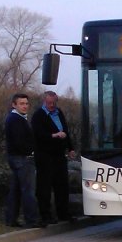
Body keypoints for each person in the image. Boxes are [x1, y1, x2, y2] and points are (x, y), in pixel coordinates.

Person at [31, 91, 76, 224]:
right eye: (49, 103)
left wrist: (70, 148)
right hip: (45, 155)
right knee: (44, 186)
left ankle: (63, 213)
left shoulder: (59, 113)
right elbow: (38, 135)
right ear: (44, 102)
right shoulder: (39, 115)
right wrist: (54, 135)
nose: (51, 105)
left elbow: (65, 131)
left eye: (54, 103)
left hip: (59, 155)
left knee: (62, 185)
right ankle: (46, 215)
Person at [4, 93, 41, 228]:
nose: (25, 106)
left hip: (16, 158)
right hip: (23, 159)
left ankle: (11, 219)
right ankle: (32, 220)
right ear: (14, 105)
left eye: (26, 103)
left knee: (15, 190)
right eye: (21, 104)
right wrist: (31, 150)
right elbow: (19, 142)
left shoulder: (17, 118)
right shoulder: (16, 120)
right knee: (28, 191)